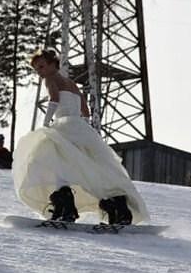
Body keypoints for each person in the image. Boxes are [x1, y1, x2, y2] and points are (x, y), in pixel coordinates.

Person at [12, 49, 150, 224]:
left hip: (63, 126)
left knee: (50, 159)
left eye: (41, 67)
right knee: (89, 166)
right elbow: (85, 110)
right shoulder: (71, 83)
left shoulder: (50, 79)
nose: (40, 72)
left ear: (53, 64)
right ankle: (117, 206)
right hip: (80, 128)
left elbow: (54, 100)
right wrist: (81, 125)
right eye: (36, 69)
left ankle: (66, 206)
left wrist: (47, 122)